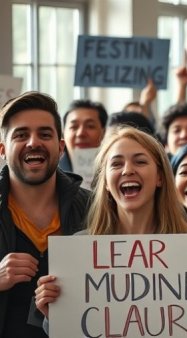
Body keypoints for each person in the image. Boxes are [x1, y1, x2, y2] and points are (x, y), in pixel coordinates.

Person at [34, 126, 187, 322]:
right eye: (116, 164)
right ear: (107, 182)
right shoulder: (78, 249)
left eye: (140, 161)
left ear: (160, 177)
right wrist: (57, 317)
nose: (127, 170)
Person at [0, 91, 91, 337]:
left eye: (45, 134)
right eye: (21, 134)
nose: (33, 142)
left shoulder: (95, 209)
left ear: (60, 147)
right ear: (2, 149)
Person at [59, 99, 108, 172]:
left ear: (104, 132)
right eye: (74, 127)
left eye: (90, 126)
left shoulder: (113, 169)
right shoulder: (51, 171)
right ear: (64, 132)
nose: (81, 133)